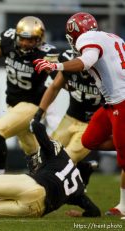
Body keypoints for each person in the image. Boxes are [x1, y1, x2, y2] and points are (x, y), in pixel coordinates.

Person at [33, 12, 125, 216]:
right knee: (89, 140)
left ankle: (123, 206)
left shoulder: (86, 39)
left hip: (121, 102)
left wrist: (55, 65)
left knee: (123, 160)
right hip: (111, 103)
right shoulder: (111, 37)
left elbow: (86, 61)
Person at [0, 16, 59, 176]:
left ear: (40, 39)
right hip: (13, 104)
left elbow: (58, 81)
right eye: (23, 39)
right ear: (17, 36)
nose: (26, 43)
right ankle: (48, 180)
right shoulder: (8, 40)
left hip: (33, 104)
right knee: (32, 152)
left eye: (31, 40)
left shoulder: (45, 53)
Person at [33, 48, 101, 185]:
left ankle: (70, 191)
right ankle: (84, 168)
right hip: (70, 117)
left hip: (93, 123)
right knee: (47, 154)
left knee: (66, 160)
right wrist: (38, 114)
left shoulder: (105, 66)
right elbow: (54, 86)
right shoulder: (68, 59)